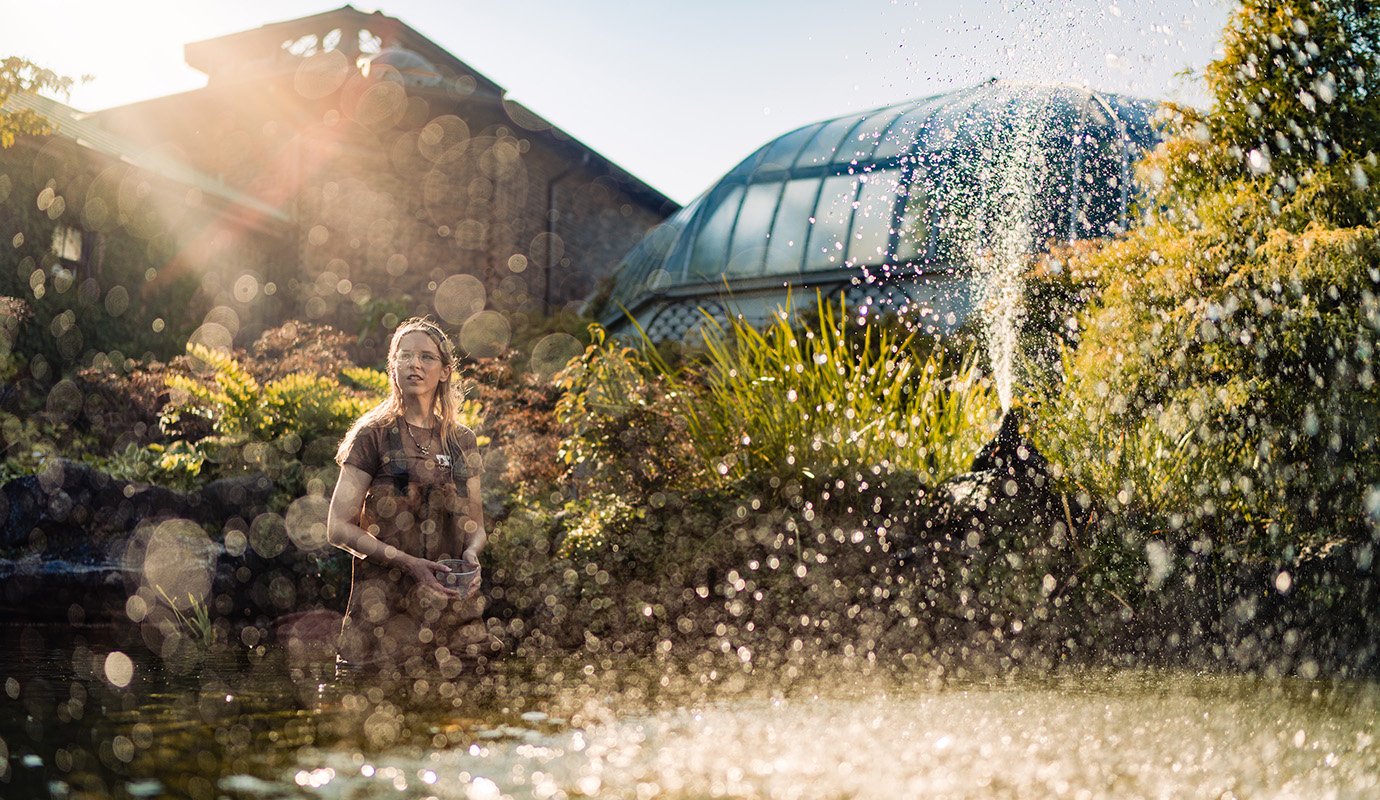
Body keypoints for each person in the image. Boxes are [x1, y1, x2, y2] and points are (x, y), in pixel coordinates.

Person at [327, 317, 497, 678]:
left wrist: (471, 555)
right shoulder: (371, 435)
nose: (414, 365)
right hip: (381, 618)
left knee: (460, 721)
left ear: (446, 371)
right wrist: (408, 563)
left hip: (452, 620)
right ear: (393, 367)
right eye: (404, 357)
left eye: (425, 357)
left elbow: (477, 528)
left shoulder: (461, 441)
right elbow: (338, 529)